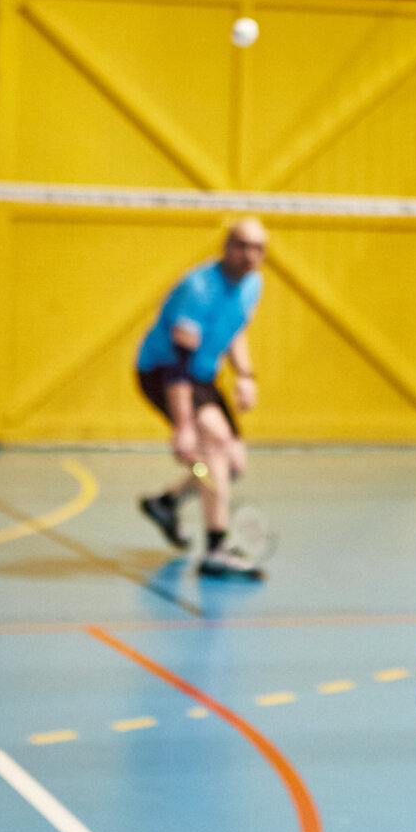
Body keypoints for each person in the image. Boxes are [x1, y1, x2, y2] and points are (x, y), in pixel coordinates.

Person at [135, 217, 268, 575]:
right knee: (214, 445)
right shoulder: (199, 289)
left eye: (257, 248)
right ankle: (216, 547)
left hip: (203, 375)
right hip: (164, 372)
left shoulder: (253, 285)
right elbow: (177, 365)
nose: (249, 255)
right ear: (226, 246)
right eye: (242, 246)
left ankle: (166, 502)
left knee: (231, 465)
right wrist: (183, 428)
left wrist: (245, 375)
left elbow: (236, 329)